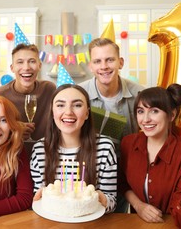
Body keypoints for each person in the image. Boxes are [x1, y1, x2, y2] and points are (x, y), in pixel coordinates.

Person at [118, 84, 181, 228]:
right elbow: (122, 183)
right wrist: (139, 206)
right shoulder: (128, 143)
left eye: (154, 111)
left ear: (172, 115)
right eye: (140, 111)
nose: (145, 119)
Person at [30, 84, 118, 213]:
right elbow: (40, 201)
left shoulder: (105, 147)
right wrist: (39, 197)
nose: (68, 112)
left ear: (87, 113)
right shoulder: (40, 150)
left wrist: (100, 198)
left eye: (77, 105)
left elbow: (112, 202)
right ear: (52, 112)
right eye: (60, 105)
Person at [79, 37, 145, 139]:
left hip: (129, 154)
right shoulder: (79, 94)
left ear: (121, 63)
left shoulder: (139, 94)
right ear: (90, 66)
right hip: (93, 154)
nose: (104, 66)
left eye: (110, 60)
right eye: (97, 61)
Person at [0, 43, 56, 141]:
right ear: (12, 68)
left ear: (39, 66)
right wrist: (13, 129)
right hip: (10, 152)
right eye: (20, 62)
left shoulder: (49, 89)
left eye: (32, 61)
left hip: (43, 152)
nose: (26, 67)